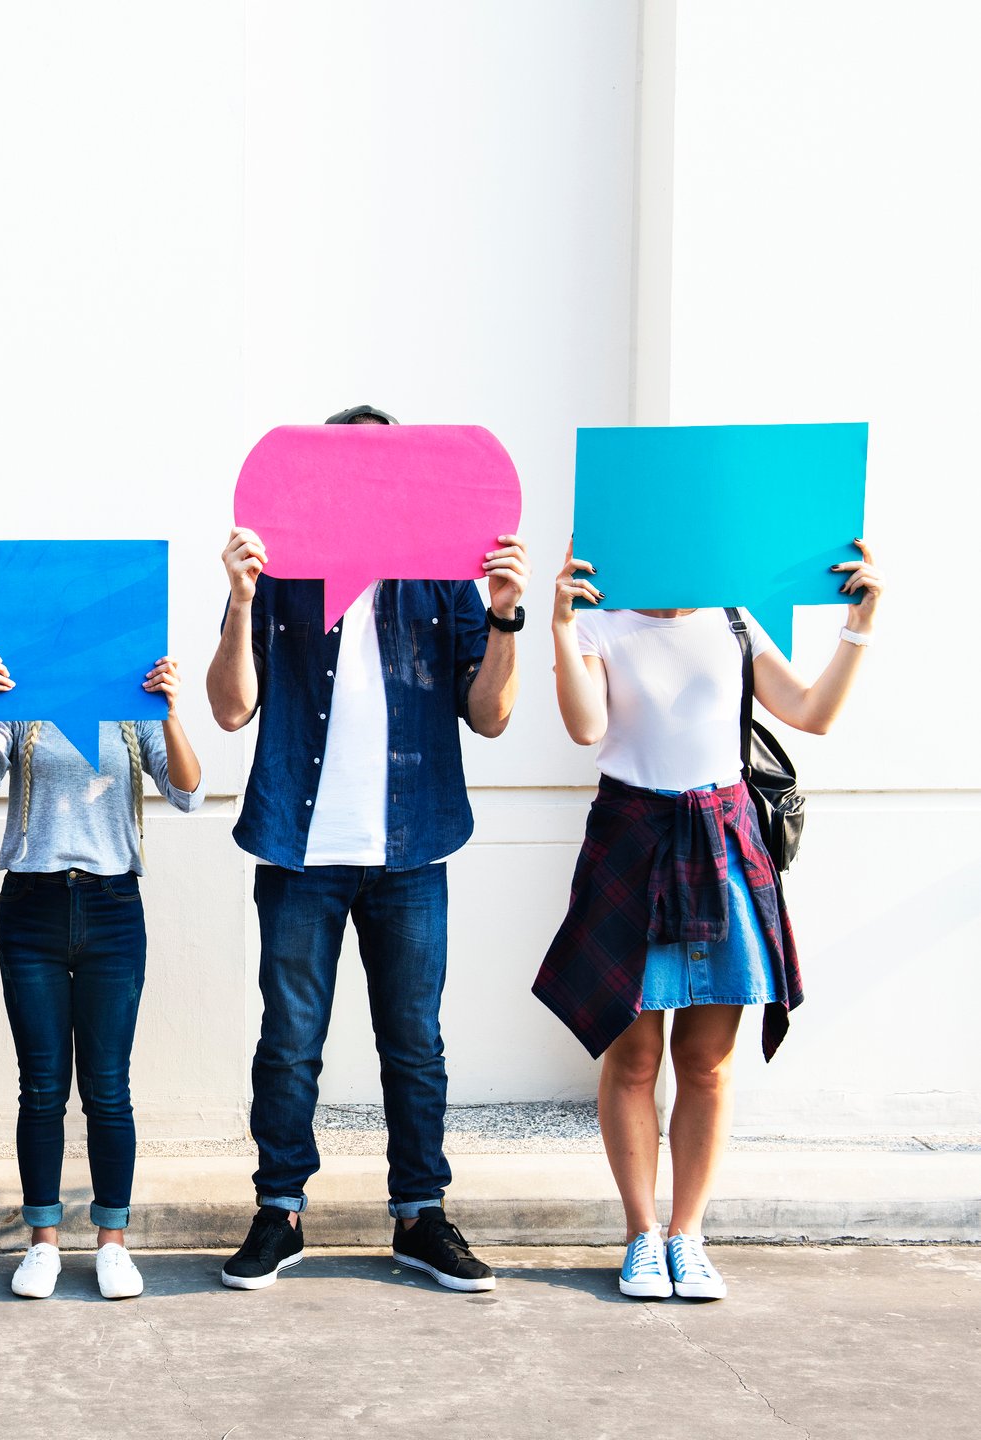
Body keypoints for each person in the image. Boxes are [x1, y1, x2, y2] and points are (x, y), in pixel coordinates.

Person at [204, 403, 529, 1294]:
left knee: (414, 1044)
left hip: (411, 850)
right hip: (300, 850)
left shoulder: (443, 579)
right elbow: (232, 707)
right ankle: (280, 1214)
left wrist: (504, 618)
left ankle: (420, 1217)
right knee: (290, 1041)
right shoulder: (280, 576)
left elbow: (492, 715)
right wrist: (239, 603)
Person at [536, 539, 884, 1301]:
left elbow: (813, 714)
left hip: (724, 842)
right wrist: (561, 624)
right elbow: (587, 728)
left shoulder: (734, 618)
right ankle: (641, 1237)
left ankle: (688, 1235)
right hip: (631, 839)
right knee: (631, 1060)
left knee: (706, 1062)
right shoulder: (603, 626)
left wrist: (859, 622)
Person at [0, 649, 202, 1300]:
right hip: (31, 909)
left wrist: (169, 711)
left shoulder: (131, 698)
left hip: (113, 908)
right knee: (41, 1087)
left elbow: (190, 791)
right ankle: (43, 1243)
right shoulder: (22, 700)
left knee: (108, 1088)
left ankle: (112, 1243)